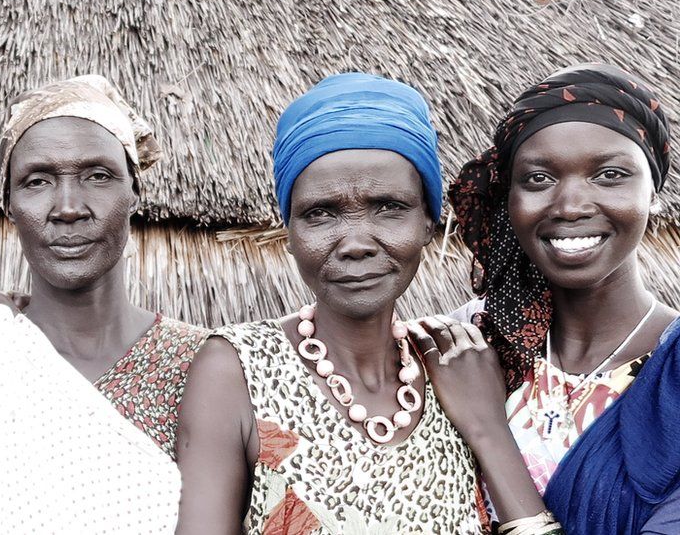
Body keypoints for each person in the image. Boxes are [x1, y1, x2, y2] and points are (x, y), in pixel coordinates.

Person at [176, 73, 489, 534]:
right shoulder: (237, 367)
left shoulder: (458, 367)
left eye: (389, 207)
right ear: (289, 233)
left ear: (428, 222)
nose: (356, 243)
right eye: (320, 213)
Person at [0, 75, 207, 533]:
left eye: (98, 176)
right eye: (38, 181)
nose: (68, 206)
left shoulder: (200, 366)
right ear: (8, 203)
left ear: (135, 195)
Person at [407, 63, 679, 535]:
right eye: (537, 179)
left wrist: (488, 430)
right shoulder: (457, 347)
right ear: (506, 198)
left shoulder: (671, 372)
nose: (570, 205)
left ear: (654, 192)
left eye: (610, 174)